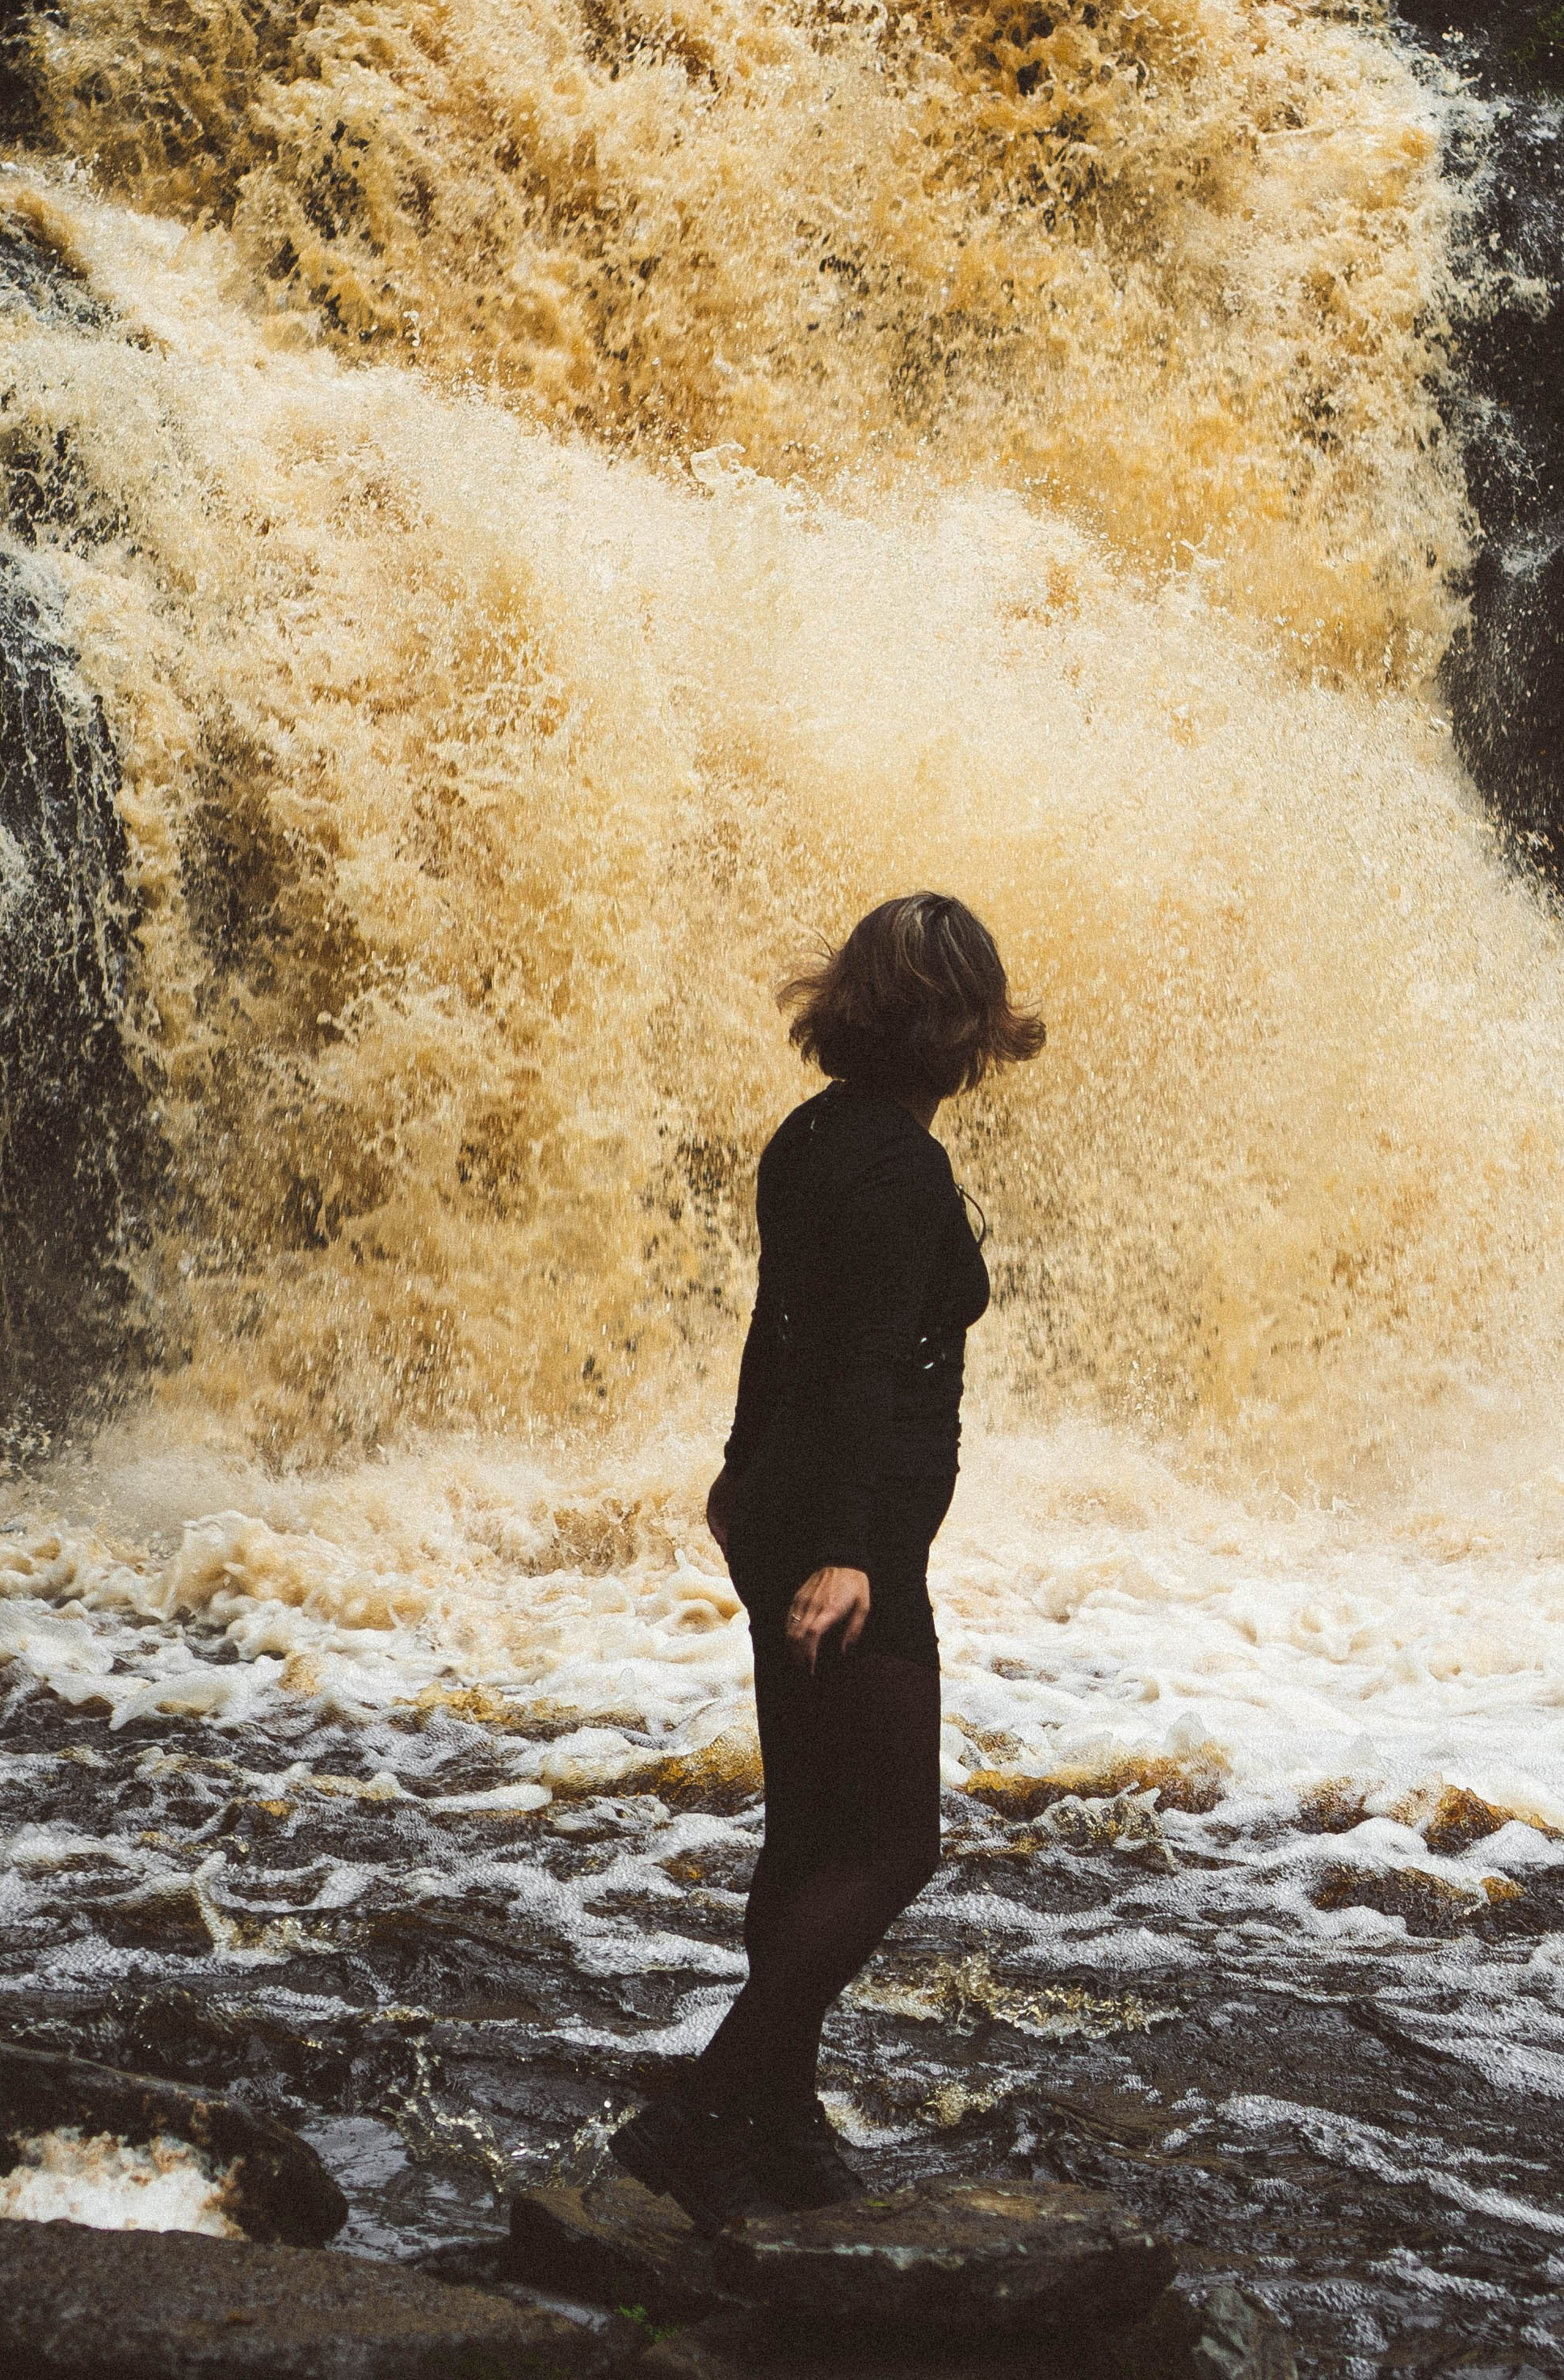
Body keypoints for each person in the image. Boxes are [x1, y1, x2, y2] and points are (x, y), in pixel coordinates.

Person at [615, 893, 1045, 2228]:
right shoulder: (904, 1170)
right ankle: (709, 2112)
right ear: (961, 1025)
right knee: (893, 1844)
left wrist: (742, 1473)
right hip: (849, 1540)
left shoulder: (809, 1138)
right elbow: (855, 1361)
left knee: (809, 1831)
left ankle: (781, 2125)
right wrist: (851, 1553)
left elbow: (778, 1326)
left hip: (787, 1510)